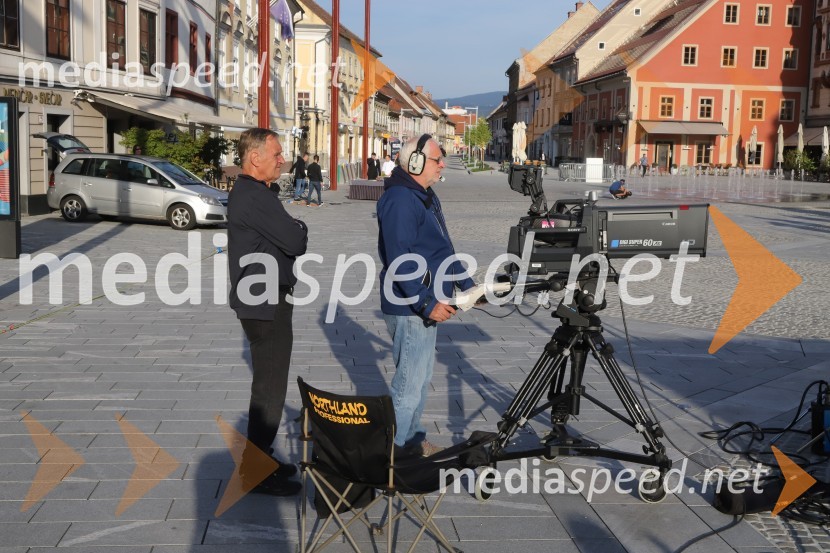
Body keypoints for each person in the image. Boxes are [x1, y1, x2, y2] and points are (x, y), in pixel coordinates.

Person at [376, 135, 476, 457]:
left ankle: (413, 442)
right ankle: (390, 457)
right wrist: (426, 303)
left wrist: (470, 287)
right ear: (415, 162)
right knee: (408, 385)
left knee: (419, 380)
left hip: (427, 303)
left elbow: (443, 249)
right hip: (411, 307)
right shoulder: (402, 200)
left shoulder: (424, 196)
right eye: (438, 159)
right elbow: (399, 259)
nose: (443, 164)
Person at [228, 128, 309, 496]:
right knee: (270, 390)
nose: (282, 160)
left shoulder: (255, 193)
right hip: (265, 302)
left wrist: (293, 228)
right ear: (254, 158)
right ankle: (255, 470)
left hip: (261, 299)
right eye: (276, 154)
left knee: (268, 385)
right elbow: (294, 240)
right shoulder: (255, 196)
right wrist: (300, 227)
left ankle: (261, 459)